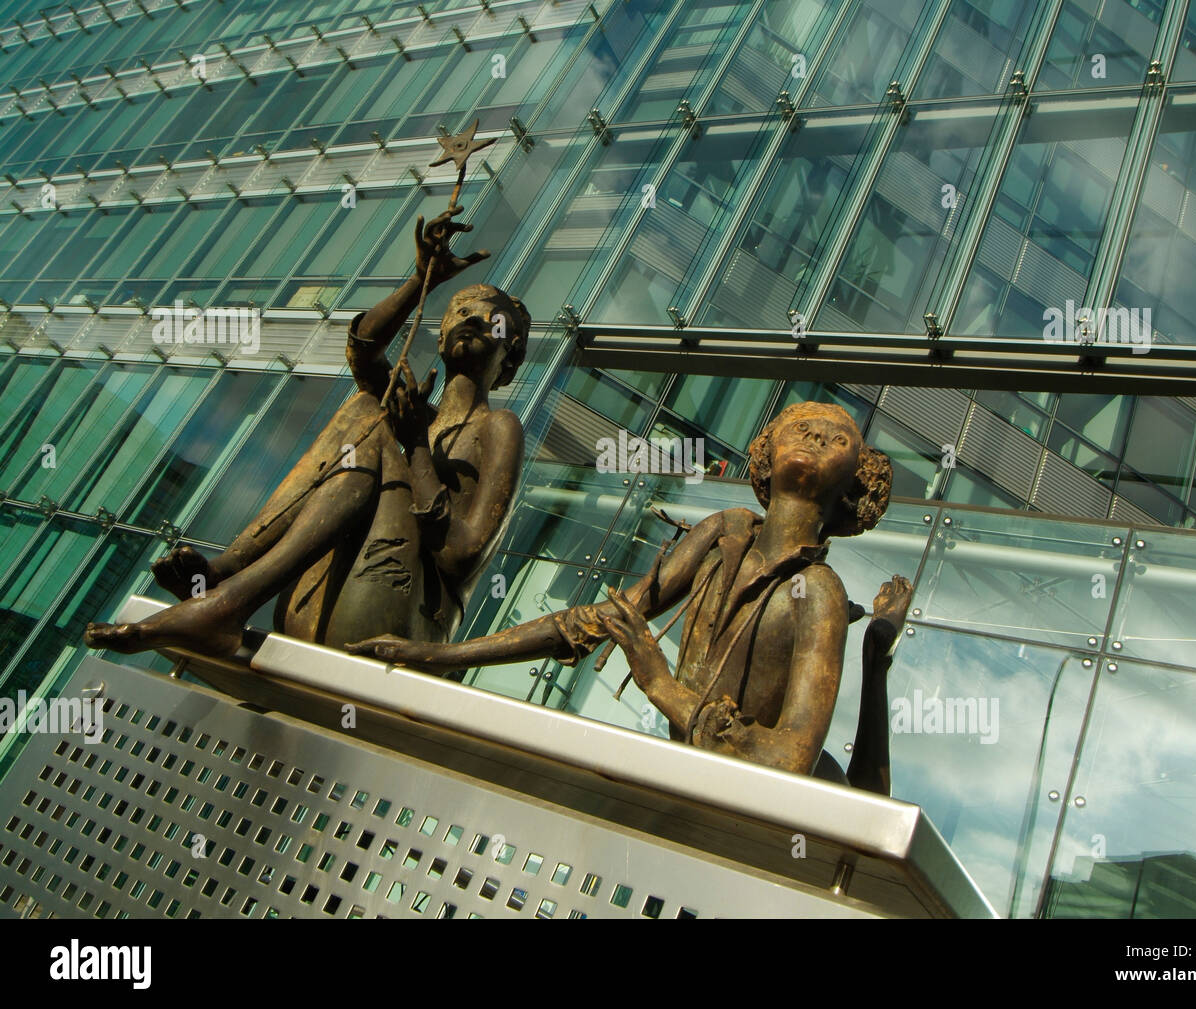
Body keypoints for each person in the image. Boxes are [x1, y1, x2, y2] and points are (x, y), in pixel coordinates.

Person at [348, 401, 913, 777]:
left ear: (853, 483)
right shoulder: (726, 530)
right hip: (678, 778)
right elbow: (595, 621)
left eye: (836, 437)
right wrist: (441, 655)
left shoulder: (820, 591)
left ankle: (877, 654)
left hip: (747, 818)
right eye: (801, 425)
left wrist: (660, 682)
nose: (814, 435)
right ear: (766, 451)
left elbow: (791, 758)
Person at [85, 206, 529, 657]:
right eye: (461, 309)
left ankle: (225, 595)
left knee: (371, 419)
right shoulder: (412, 411)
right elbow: (362, 352)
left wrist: (414, 445)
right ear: (439, 336)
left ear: (510, 357)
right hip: (321, 601)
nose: (472, 318)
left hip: (400, 620)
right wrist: (422, 282)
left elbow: (461, 557)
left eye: (492, 320)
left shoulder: (498, 426)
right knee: (364, 405)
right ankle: (226, 575)